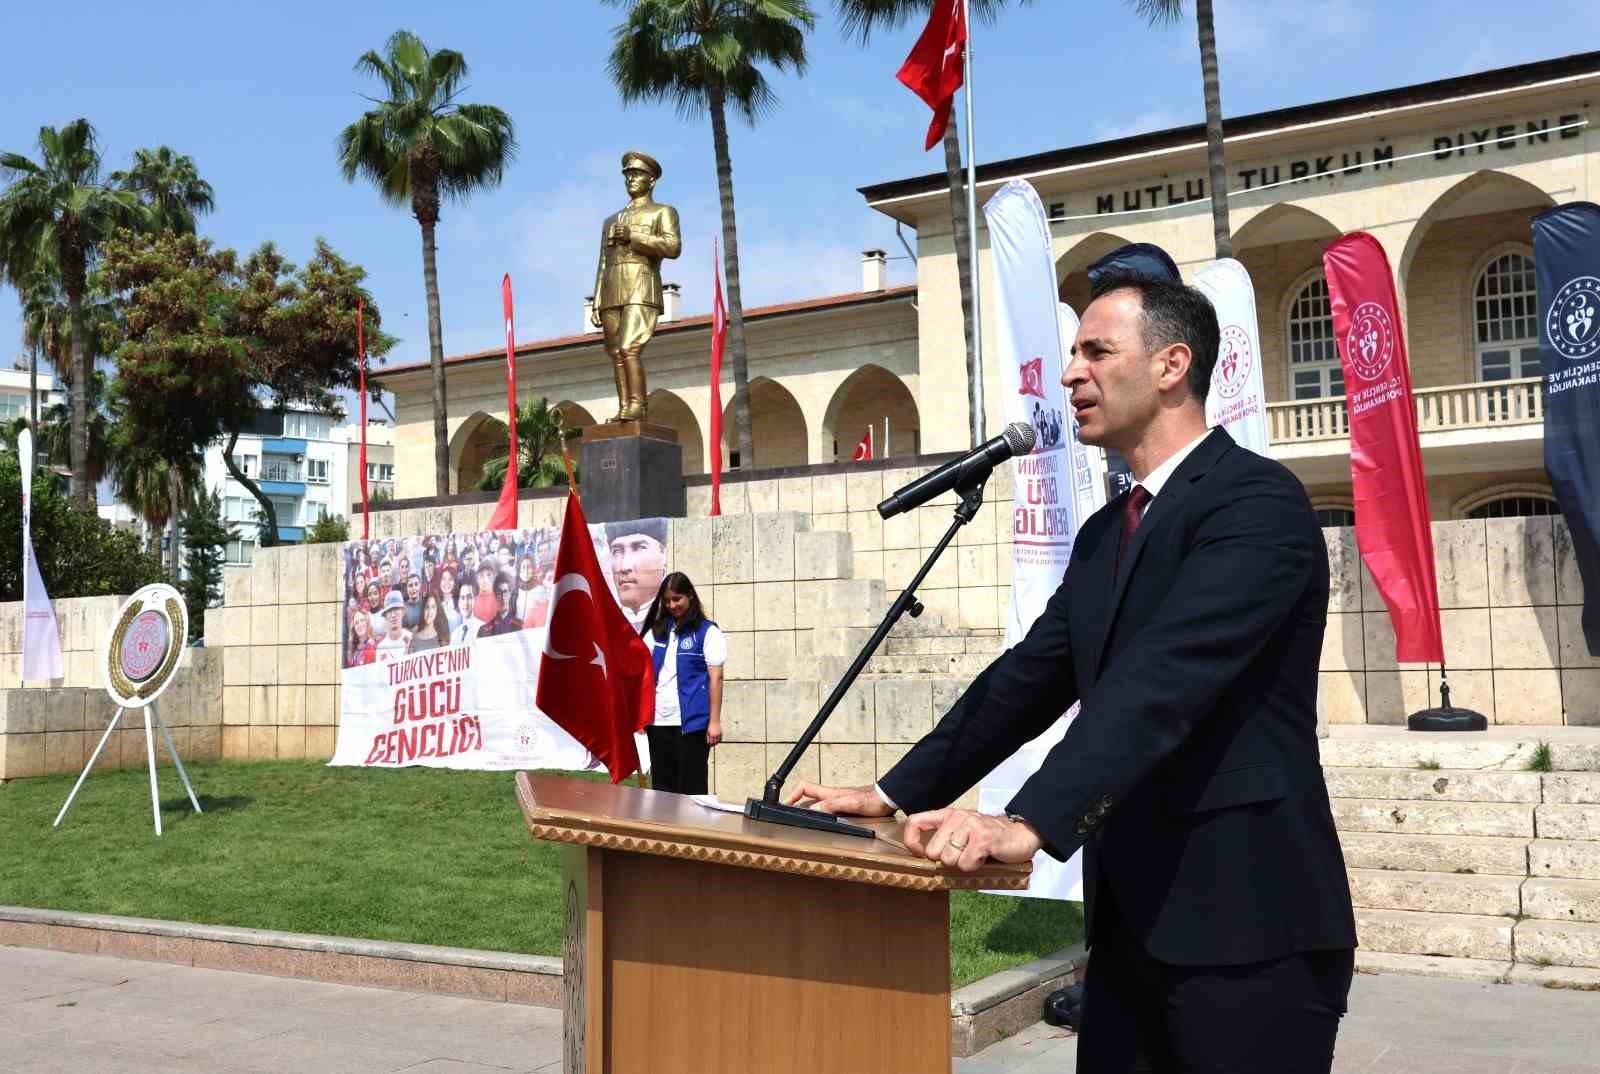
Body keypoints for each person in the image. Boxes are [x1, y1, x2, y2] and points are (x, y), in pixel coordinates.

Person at [788, 274, 1356, 1074]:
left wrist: (1031, 823)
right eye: (1072, 354)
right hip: (1131, 933)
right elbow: (1027, 679)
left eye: (1097, 351)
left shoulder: (1256, 504)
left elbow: (1165, 680)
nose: (1070, 374)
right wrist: (894, 792)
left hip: (1249, 932)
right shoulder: (1104, 534)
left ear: (1170, 365)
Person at [638, 573, 724, 795]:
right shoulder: (656, 632)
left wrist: (714, 722)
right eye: (667, 601)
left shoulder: (707, 632)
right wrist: (641, 715)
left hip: (692, 725)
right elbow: (641, 673)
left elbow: (716, 678)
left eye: (677, 599)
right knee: (663, 792)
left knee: (692, 790)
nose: (672, 605)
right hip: (658, 723)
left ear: (690, 597)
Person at [606, 518, 667, 630]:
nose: (624, 566)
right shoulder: (603, 626)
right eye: (616, 551)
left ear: (664, 555)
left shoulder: (675, 622)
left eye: (640, 548)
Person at [373, 591, 411, 664]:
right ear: (385, 616)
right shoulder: (380, 647)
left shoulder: (411, 639)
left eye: (396, 609)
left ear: (402, 612)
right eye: (389, 611)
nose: (393, 615)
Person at [454, 581, 485, 645]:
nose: (465, 603)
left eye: (469, 597)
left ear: (475, 600)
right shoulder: (454, 634)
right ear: (458, 602)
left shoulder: (482, 628)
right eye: (462, 598)